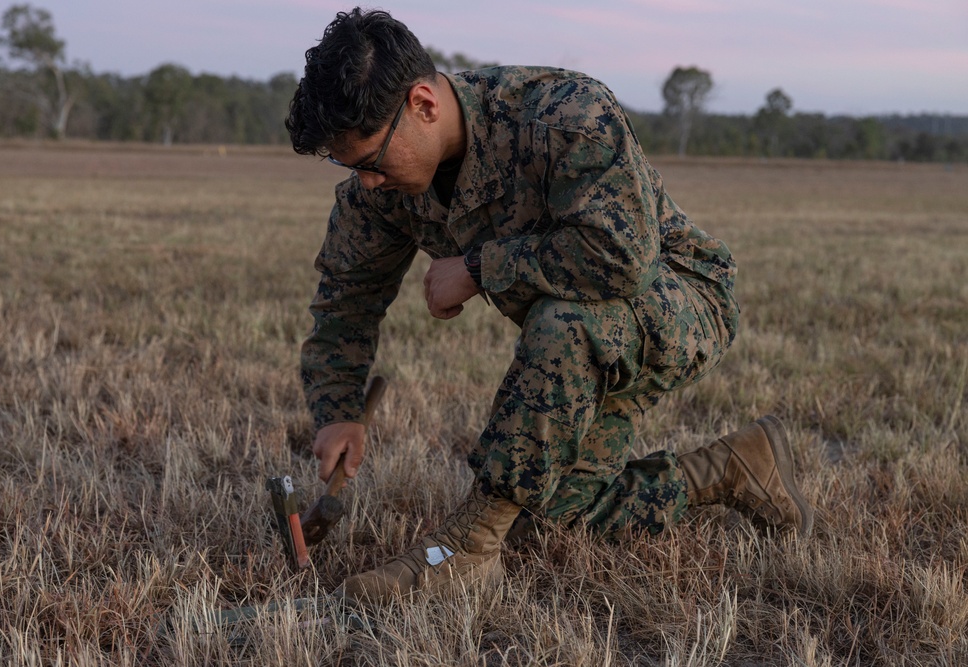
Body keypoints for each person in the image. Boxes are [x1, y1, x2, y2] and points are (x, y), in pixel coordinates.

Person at [285, 7, 814, 606]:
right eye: (348, 167)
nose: (368, 184)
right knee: (551, 516)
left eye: (372, 164)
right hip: (585, 342)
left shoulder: (565, 114)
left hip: (678, 298)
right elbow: (346, 299)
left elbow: (620, 256)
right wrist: (338, 409)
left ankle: (466, 547)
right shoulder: (381, 184)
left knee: (563, 321)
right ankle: (732, 467)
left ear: (424, 105)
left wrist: (479, 268)